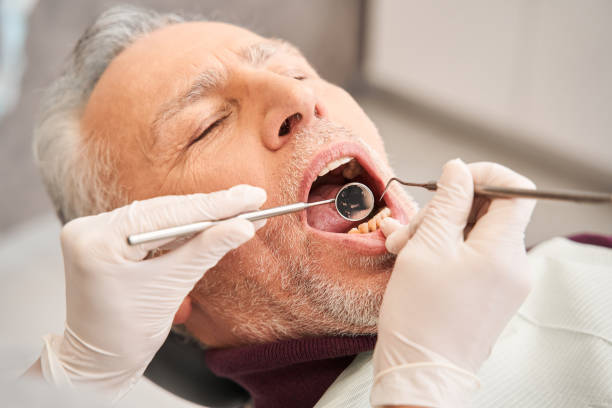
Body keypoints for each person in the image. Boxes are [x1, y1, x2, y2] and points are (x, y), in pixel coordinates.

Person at [27, 6, 612, 408]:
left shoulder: (572, 257)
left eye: (294, 68)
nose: (297, 97)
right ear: (161, 270)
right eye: (206, 126)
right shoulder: (425, 374)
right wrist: (422, 384)